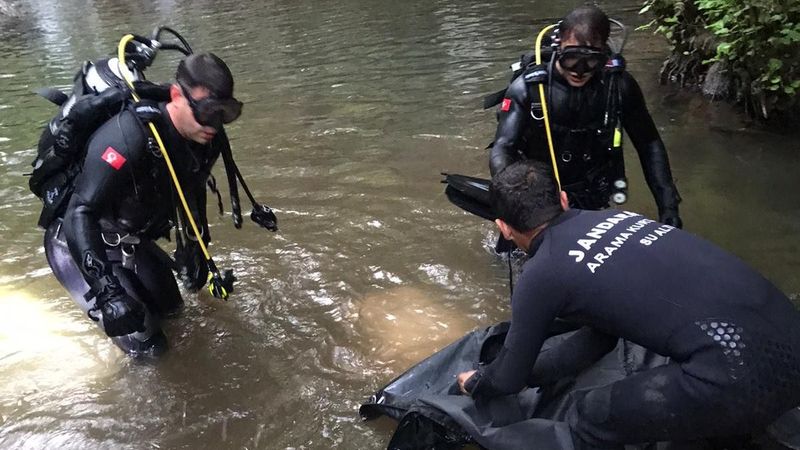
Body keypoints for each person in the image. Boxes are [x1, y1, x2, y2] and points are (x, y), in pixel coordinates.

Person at [456, 160, 800, 448]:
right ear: (562, 199)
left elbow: (507, 380)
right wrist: (541, 372)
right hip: (791, 348)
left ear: (503, 227)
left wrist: (478, 381)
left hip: (739, 376)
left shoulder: (541, 272)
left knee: (589, 413)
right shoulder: (621, 217)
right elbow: (598, 339)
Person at [43, 53, 245, 357]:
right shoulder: (129, 135)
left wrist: (195, 247)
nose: (214, 124)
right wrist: (107, 293)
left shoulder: (207, 139)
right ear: (177, 96)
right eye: (207, 111)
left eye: (223, 113)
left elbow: (192, 190)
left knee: (178, 318)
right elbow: (79, 212)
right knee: (152, 352)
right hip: (76, 243)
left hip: (133, 242)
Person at [489, 5, 682, 228]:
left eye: (591, 60)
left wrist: (668, 209)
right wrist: (516, 203)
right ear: (558, 45)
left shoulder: (620, 87)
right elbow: (503, 148)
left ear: (605, 53)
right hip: (539, 194)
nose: (579, 70)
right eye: (572, 58)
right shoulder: (528, 89)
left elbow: (649, 144)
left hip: (594, 191)